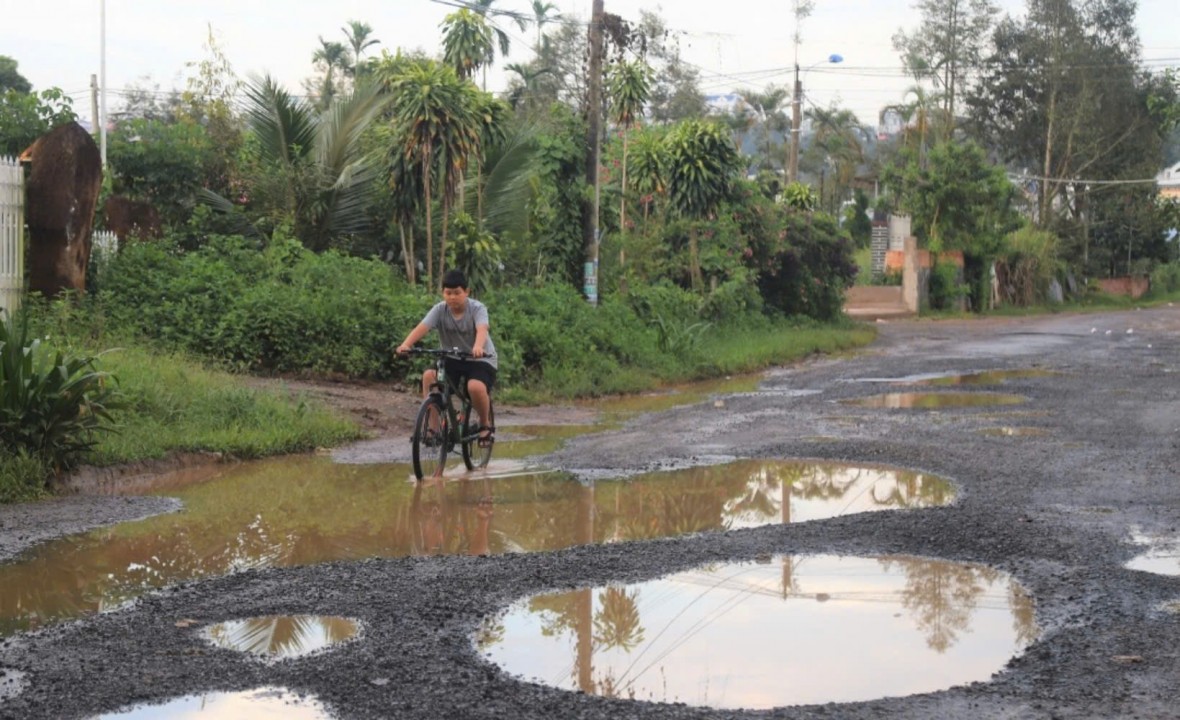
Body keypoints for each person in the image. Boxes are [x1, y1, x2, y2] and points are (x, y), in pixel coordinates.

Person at [396, 269, 496, 446]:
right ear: (443, 293)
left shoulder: (477, 309)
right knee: (429, 377)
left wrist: (478, 347)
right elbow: (422, 327)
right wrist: (406, 344)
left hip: (480, 358)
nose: (452, 297)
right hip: (452, 357)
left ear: (466, 292)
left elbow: (482, 330)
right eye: (448, 293)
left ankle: (484, 425)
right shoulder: (439, 310)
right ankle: (433, 430)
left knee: (475, 387)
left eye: (457, 293)